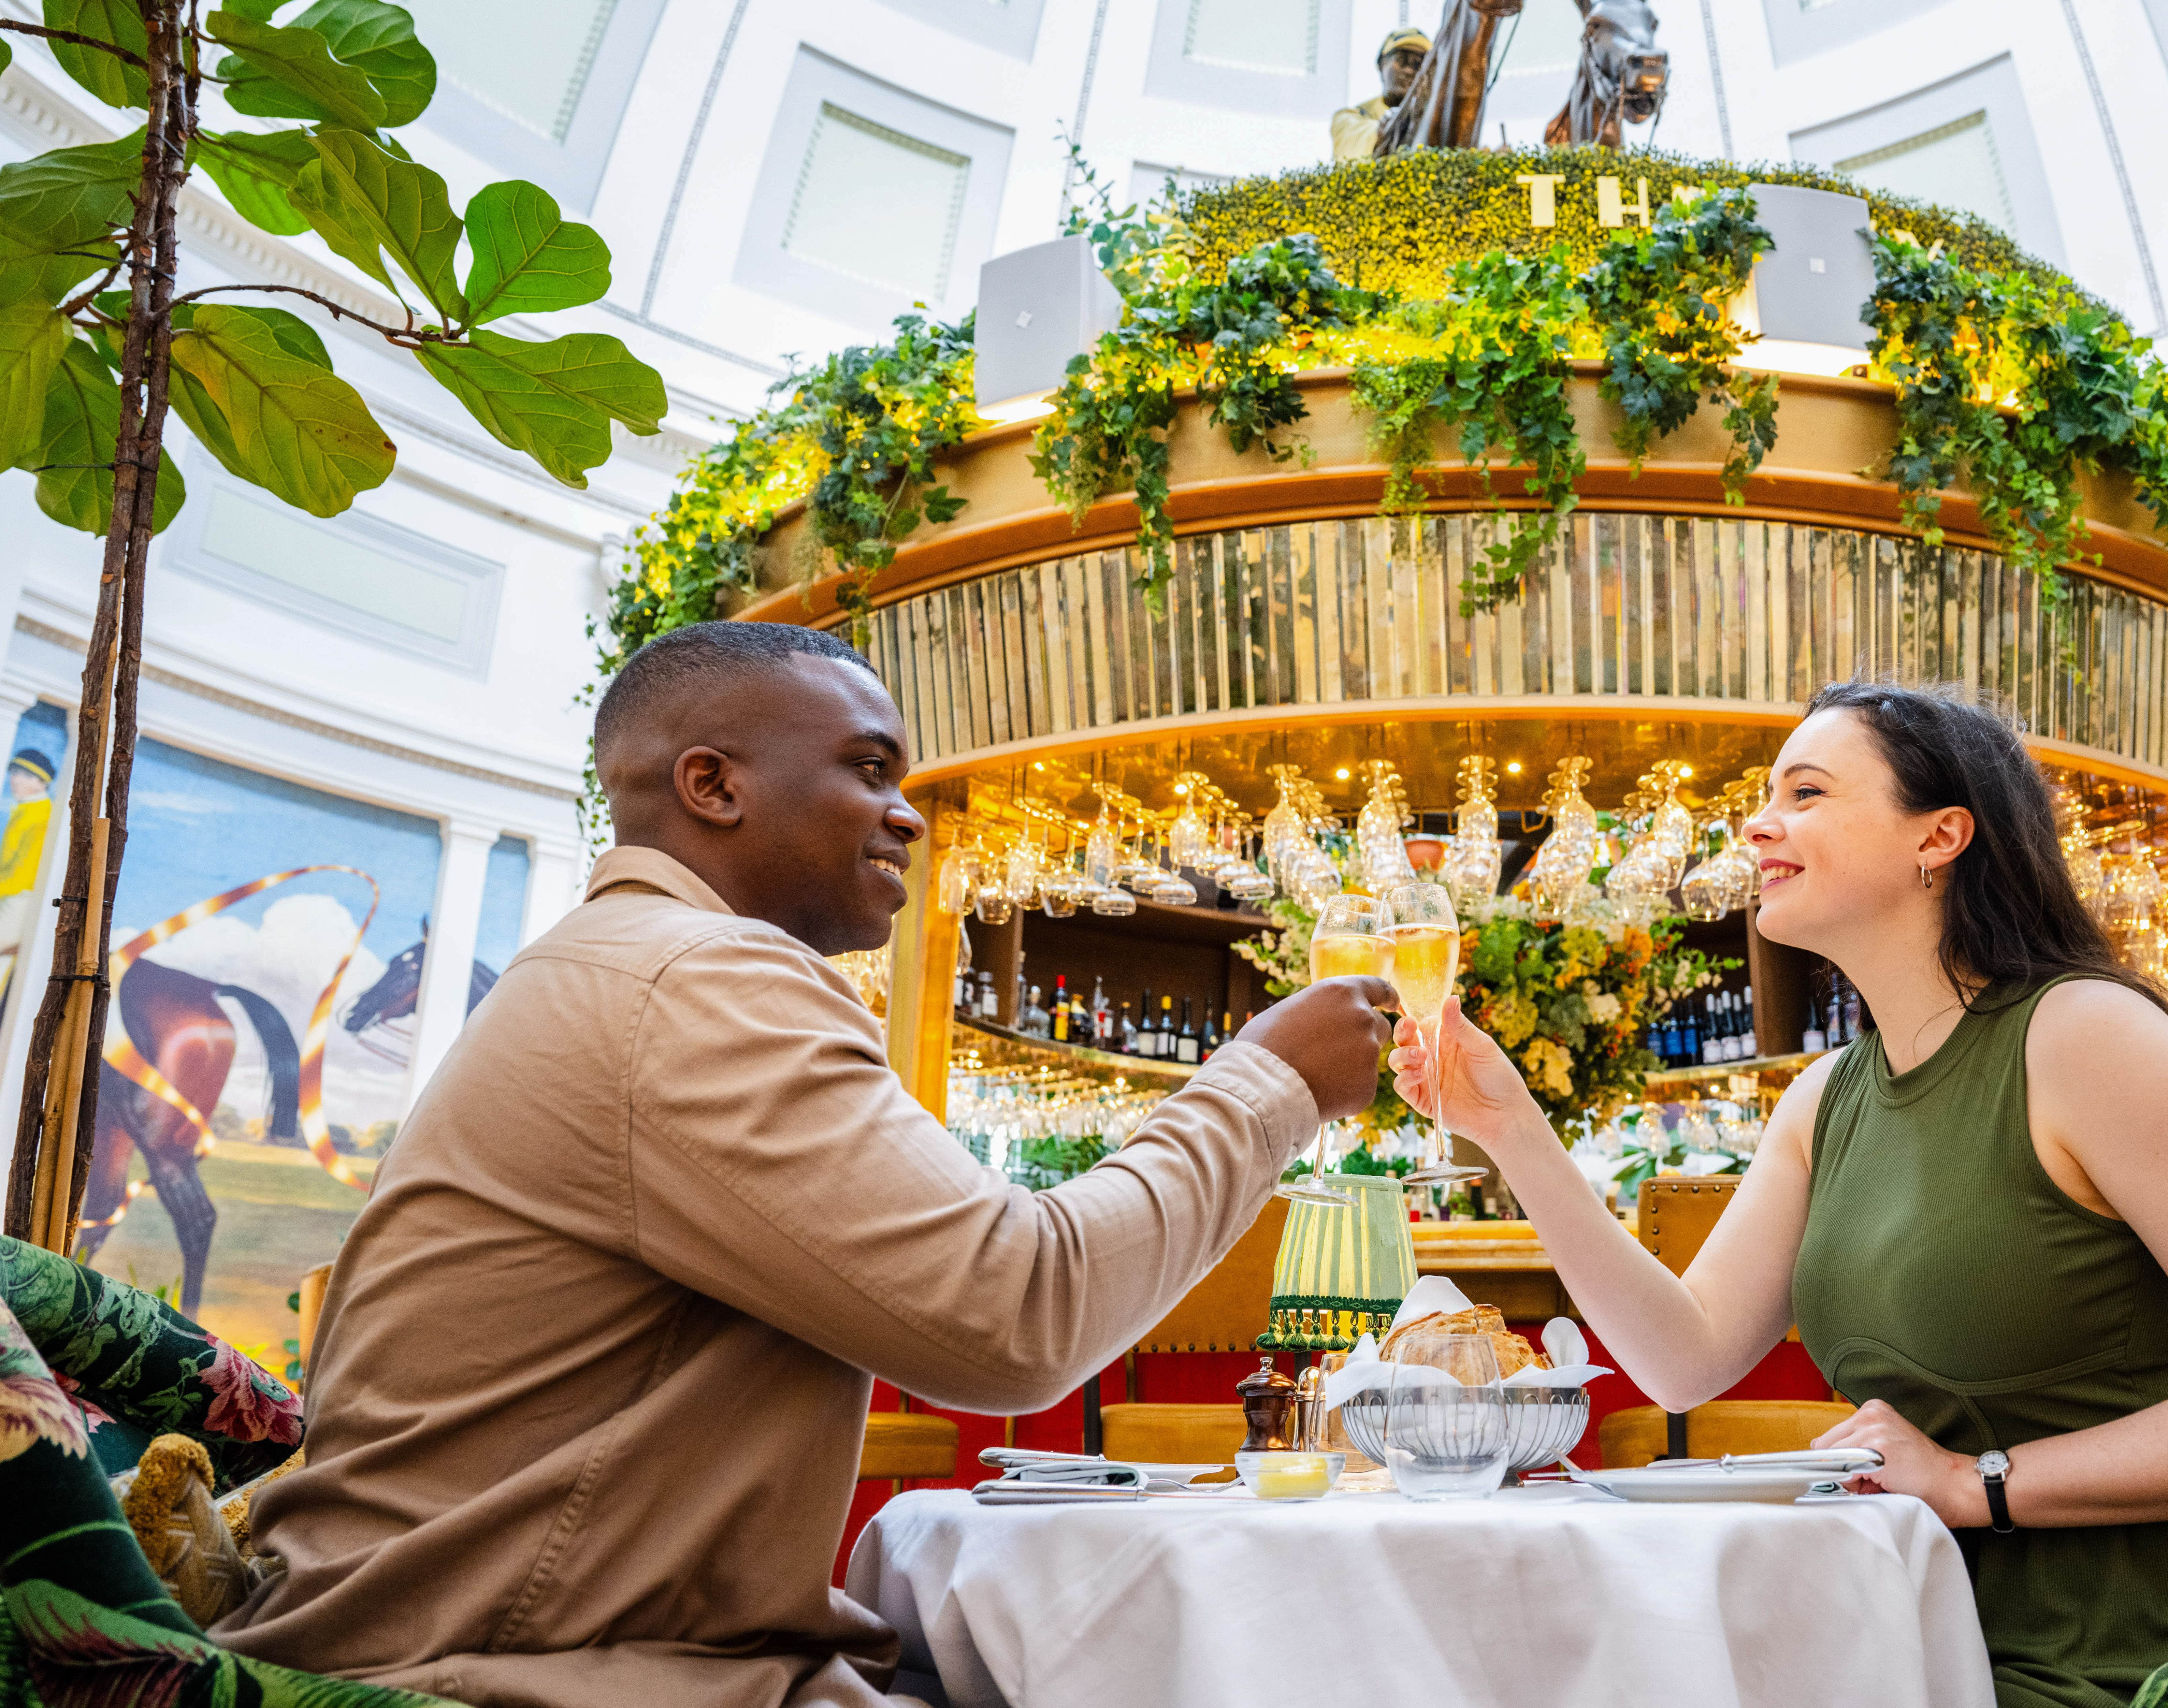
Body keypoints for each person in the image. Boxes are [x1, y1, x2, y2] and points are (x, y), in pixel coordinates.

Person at [216, 621, 1394, 1707]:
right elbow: (1018, 1310)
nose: (910, 814)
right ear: (713, 784)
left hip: (491, 1640)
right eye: (869, 769)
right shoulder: (698, 980)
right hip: (508, 1673)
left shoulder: (616, 966)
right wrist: (1268, 1081)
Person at [1393, 681, 2168, 1708]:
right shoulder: (1823, 1100)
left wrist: (1976, 1484)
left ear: (1940, 837)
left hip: (2142, 1664)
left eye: (1808, 791)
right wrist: (1511, 1130)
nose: (1756, 821)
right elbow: (1679, 1360)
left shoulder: (2082, 1037)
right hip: (1913, 1644)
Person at [0, 745, 57, 1066]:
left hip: (20, 902)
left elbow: (20, 877)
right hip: (7, 896)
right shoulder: (25, 811)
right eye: (15, 772)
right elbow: (4, 869)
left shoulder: (43, 818)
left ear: (42, 784)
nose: (16, 780)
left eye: (26, 776)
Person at [1331, 27, 1431, 162]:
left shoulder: (1435, 122)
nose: (1409, 71)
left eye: (1419, 64)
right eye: (1402, 60)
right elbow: (1349, 151)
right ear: (1382, 64)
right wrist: (1390, 128)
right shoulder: (1351, 118)